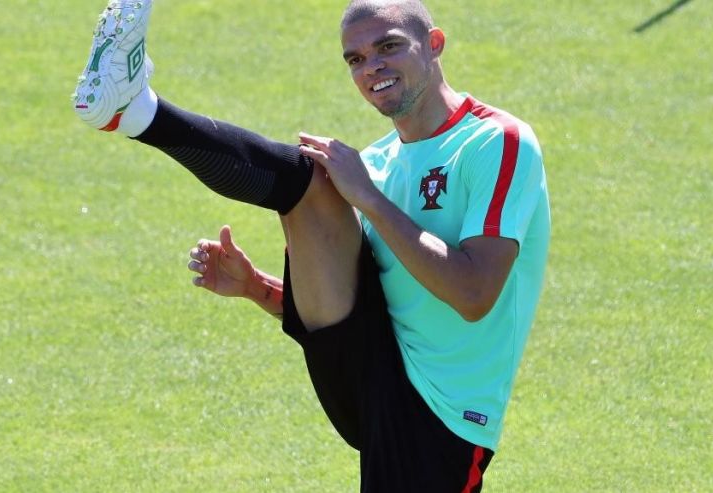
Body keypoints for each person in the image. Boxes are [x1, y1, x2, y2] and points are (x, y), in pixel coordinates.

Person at [72, 0, 550, 491]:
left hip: (444, 413)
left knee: (320, 183)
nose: (372, 67)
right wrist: (257, 289)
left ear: (434, 44)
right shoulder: (376, 162)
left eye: (388, 47)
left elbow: (474, 295)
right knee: (309, 184)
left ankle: (137, 110)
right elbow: (353, 303)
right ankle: (136, 112)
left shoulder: (496, 142)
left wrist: (366, 196)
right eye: (356, 59)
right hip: (365, 376)